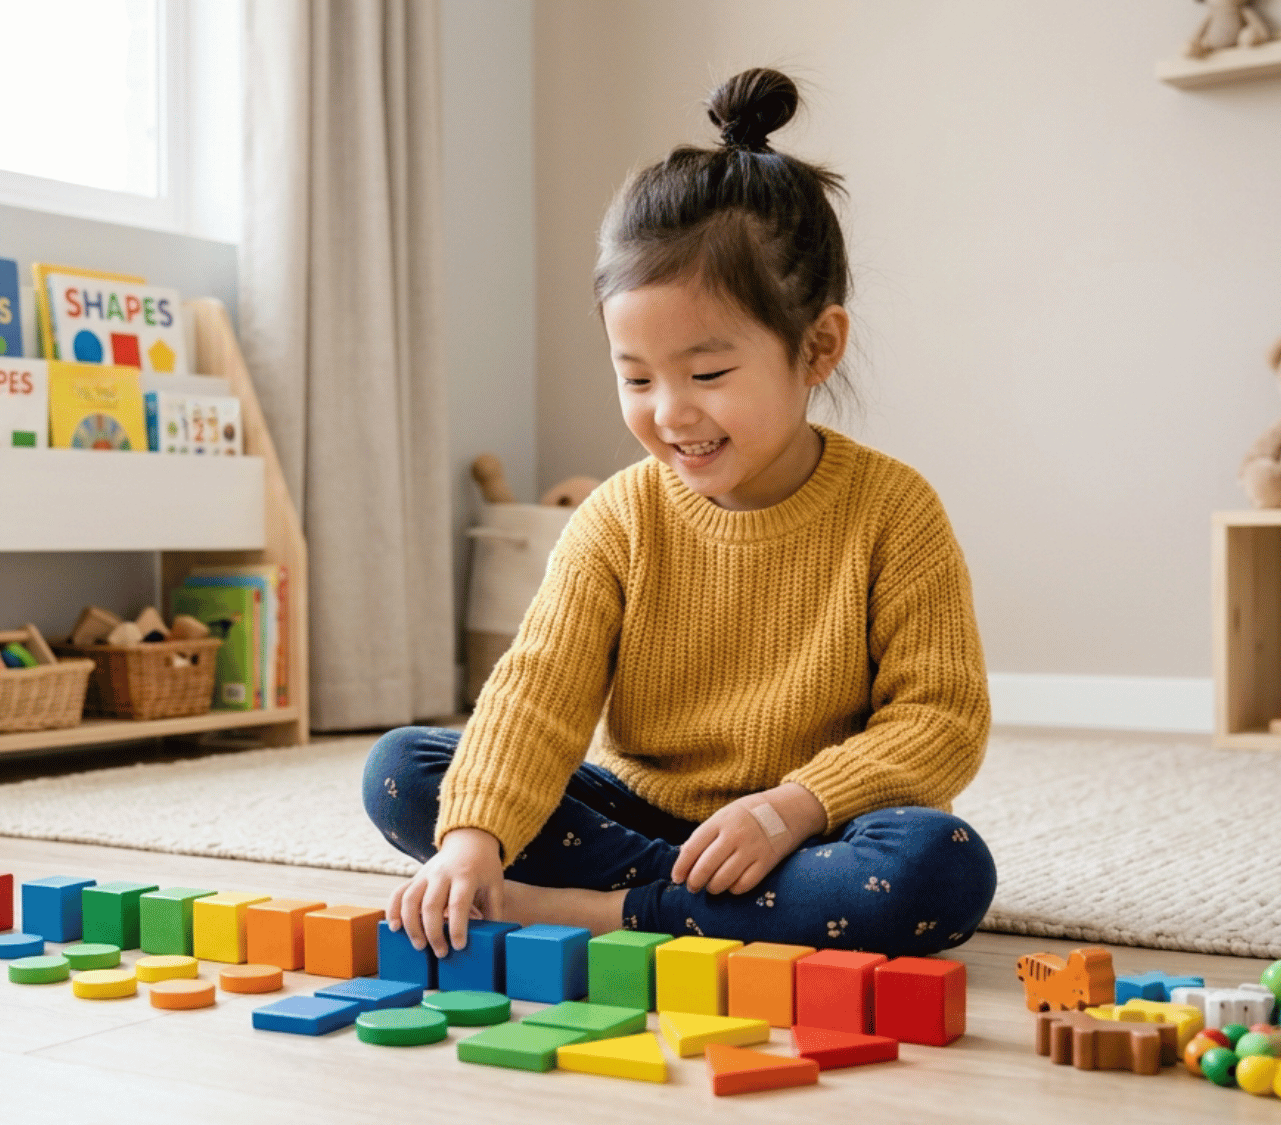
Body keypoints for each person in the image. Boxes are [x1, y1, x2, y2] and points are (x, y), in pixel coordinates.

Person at [364, 67, 997, 960]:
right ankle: (702, 901)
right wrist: (474, 839)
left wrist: (789, 809)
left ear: (816, 347)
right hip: (640, 814)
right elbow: (538, 690)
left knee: (941, 865)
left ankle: (608, 911)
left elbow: (939, 719)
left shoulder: (895, 510)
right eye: (635, 377)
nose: (669, 412)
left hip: (811, 829)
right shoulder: (620, 517)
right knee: (405, 770)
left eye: (706, 375)